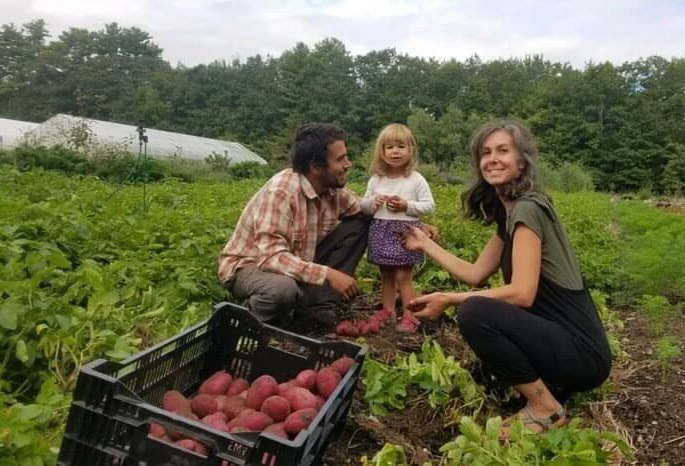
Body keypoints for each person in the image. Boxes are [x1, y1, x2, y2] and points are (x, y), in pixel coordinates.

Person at [402, 119, 612, 438]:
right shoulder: (511, 214)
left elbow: (522, 294)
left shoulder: (528, 209)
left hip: (582, 356)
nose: (492, 158)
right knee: (481, 330)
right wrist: (425, 243)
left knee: (474, 312)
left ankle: (546, 409)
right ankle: (550, 388)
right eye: (485, 152)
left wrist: (449, 299)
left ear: (522, 161)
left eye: (503, 150)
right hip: (568, 346)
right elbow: (475, 274)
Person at [218, 123, 367, 325]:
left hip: (296, 260)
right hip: (251, 265)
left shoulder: (333, 189)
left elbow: (364, 208)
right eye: (340, 159)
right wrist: (328, 274)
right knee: (282, 290)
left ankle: (314, 306)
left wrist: (414, 224)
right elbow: (271, 258)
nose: (348, 164)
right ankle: (246, 325)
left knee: (361, 223)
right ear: (315, 167)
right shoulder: (282, 193)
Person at [360, 123, 435, 333]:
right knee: (386, 275)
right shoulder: (376, 180)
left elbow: (429, 206)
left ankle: (411, 316)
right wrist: (374, 201)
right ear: (382, 152)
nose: (395, 151)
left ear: (410, 150)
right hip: (381, 233)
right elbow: (363, 206)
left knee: (404, 276)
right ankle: (388, 312)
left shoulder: (416, 179)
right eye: (390, 147)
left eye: (401, 146)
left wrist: (406, 206)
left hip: (406, 235)